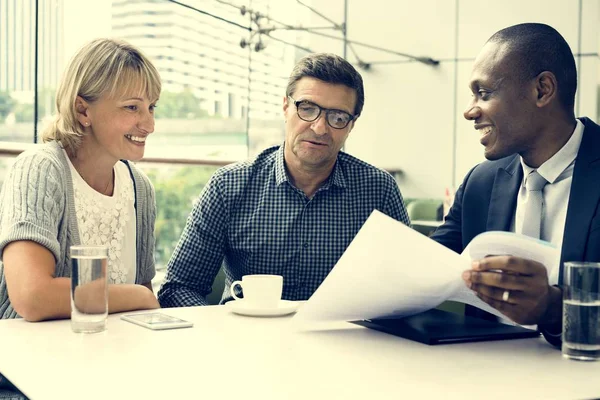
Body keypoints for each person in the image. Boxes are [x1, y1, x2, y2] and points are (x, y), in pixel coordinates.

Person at [158, 53, 410, 307]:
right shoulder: (228, 186)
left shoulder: (378, 190)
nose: (320, 127)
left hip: (342, 339)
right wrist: (222, 337)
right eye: (307, 109)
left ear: (351, 125)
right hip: (247, 337)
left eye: (337, 117)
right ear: (286, 108)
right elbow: (179, 287)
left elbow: (405, 287)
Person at [430, 23, 600, 347]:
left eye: (485, 93)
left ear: (542, 90)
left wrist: (553, 309)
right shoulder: (480, 182)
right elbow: (424, 268)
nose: (469, 111)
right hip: (483, 383)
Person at [0, 38, 161, 321]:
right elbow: (32, 296)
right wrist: (140, 295)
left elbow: (139, 313)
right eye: (132, 108)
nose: (149, 125)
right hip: (30, 357)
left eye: (152, 107)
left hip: (112, 354)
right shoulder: (40, 169)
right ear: (82, 111)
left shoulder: (140, 188)